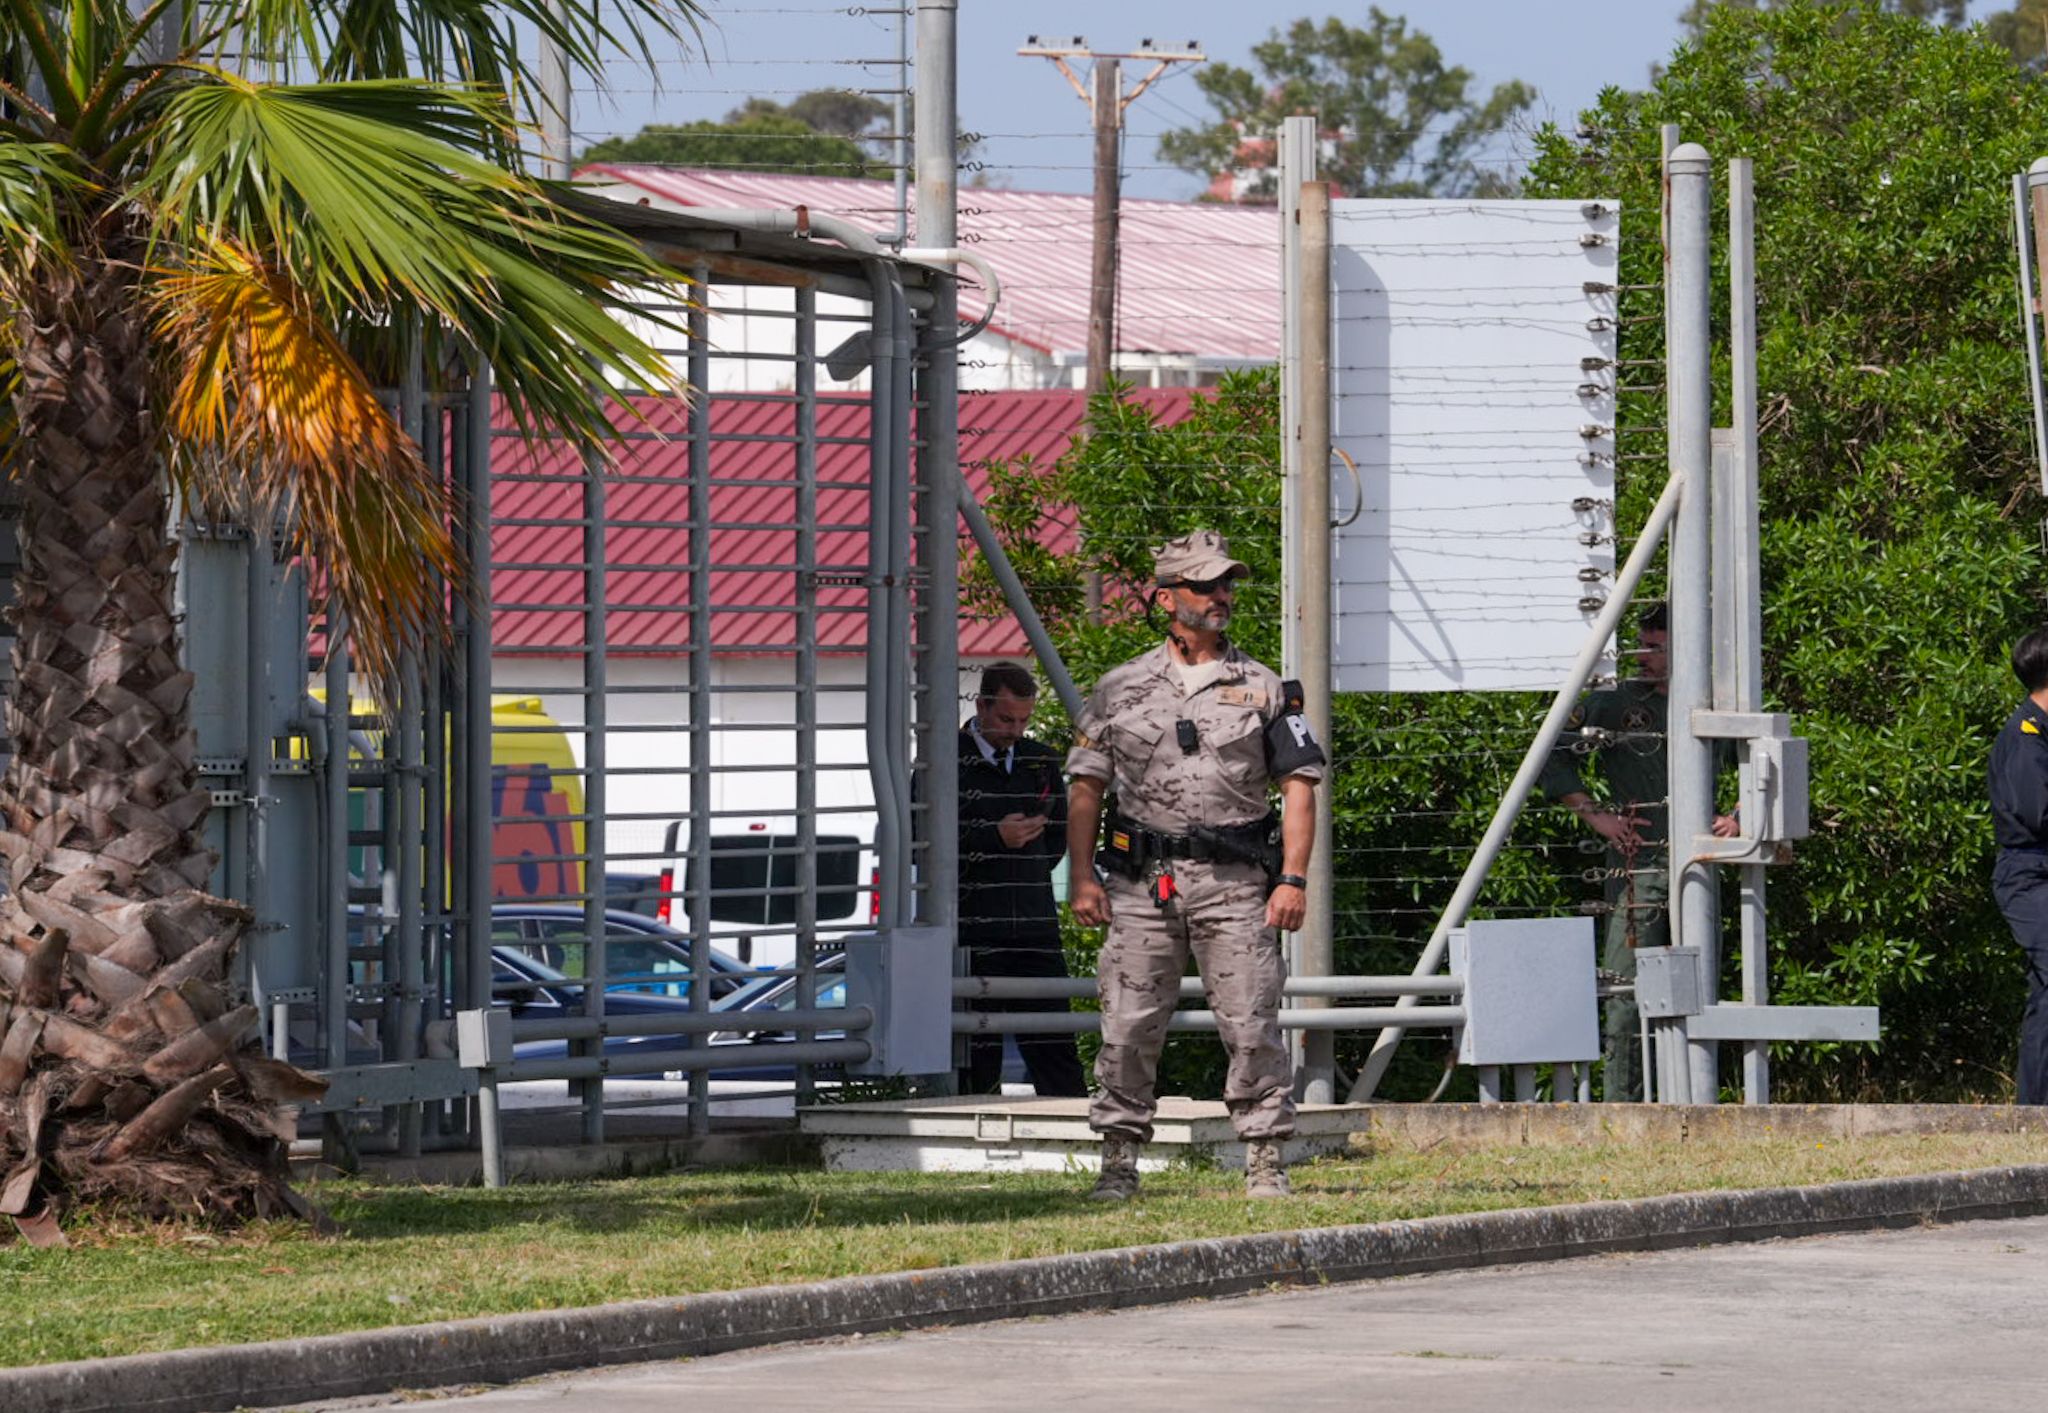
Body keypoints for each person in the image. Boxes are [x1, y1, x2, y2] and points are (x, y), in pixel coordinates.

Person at [1065, 529, 1325, 1201]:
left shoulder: (1263, 686)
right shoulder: (1119, 687)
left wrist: (1292, 878)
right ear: (1166, 599)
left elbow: (1300, 785)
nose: (1222, 596)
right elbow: (1087, 786)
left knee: (1251, 1020)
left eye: (1226, 584)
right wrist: (1083, 876)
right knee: (1126, 1022)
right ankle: (1119, 1160)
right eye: (1207, 585)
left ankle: (1265, 1157)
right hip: (1142, 882)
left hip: (1236, 884)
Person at [1540, 602, 1736, 1101]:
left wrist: (1738, 818)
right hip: (1638, 862)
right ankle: (1623, 1106)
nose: (1642, 656)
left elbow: (1762, 762)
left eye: (1654, 647)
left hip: (1702, 862)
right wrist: (1595, 815)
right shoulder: (1614, 700)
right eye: (1642, 645)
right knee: (1627, 990)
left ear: (1685, 647)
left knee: (1700, 981)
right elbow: (1549, 752)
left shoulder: (1719, 698)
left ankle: (1695, 1097)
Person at [956, 662, 1088, 1098]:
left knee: (1054, 1044)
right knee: (976, 1049)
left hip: (1035, 927)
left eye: (1024, 721)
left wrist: (1023, 861)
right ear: (981, 707)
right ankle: (969, 1132)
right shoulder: (945, 762)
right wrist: (994, 837)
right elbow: (927, 843)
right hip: (973, 928)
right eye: (1005, 719)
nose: (1015, 730)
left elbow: (1055, 843)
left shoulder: (1041, 761)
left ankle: (1074, 1131)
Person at [1990, 626, 2048, 1105]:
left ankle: (2034, 1108)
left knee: (2045, 995)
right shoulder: (2027, 737)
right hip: (2030, 877)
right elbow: (2040, 814)